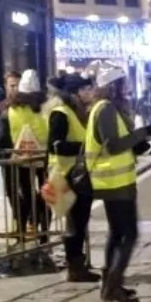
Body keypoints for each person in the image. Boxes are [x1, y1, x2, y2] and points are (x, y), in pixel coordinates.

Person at [84, 63, 151, 302]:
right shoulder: (105, 108)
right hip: (114, 182)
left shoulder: (107, 108)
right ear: (113, 85)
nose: (127, 87)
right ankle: (113, 285)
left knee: (117, 233)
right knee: (129, 234)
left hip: (116, 181)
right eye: (123, 82)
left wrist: (139, 142)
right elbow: (113, 145)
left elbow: (119, 142)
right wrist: (142, 133)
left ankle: (110, 285)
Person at [46, 71, 100, 282]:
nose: (90, 92)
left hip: (79, 174)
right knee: (75, 223)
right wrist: (85, 147)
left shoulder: (78, 112)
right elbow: (55, 145)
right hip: (67, 176)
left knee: (79, 221)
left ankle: (78, 265)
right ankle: (75, 267)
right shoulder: (61, 113)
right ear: (75, 92)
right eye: (85, 89)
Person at [0, 70, 51, 243]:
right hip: (44, 158)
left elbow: (1, 138)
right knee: (45, 193)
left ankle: (23, 229)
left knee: (25, 193)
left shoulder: (10, 110)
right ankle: (43, 232)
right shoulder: (47, 108)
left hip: (21, 158)